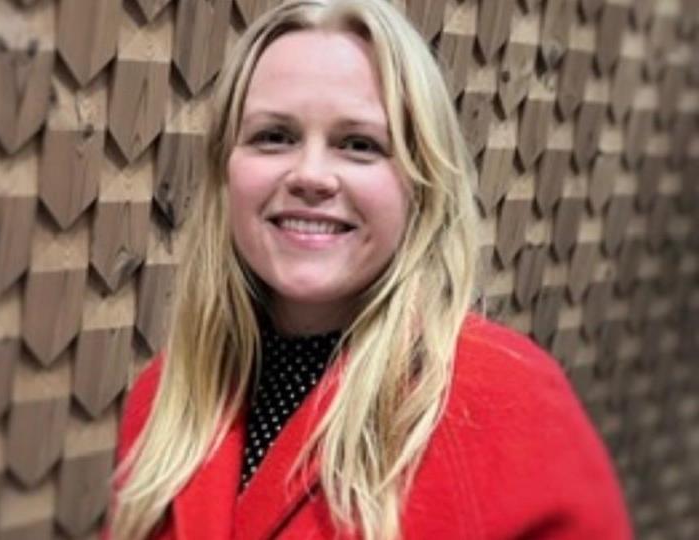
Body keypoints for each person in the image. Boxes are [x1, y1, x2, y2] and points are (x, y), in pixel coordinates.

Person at [108, 1, 633, 538]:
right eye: (275, 136)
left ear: (422, 183)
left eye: (359, 145)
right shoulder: (168, 397)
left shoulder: (509, 403)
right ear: (225, 169)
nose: (311, 175)